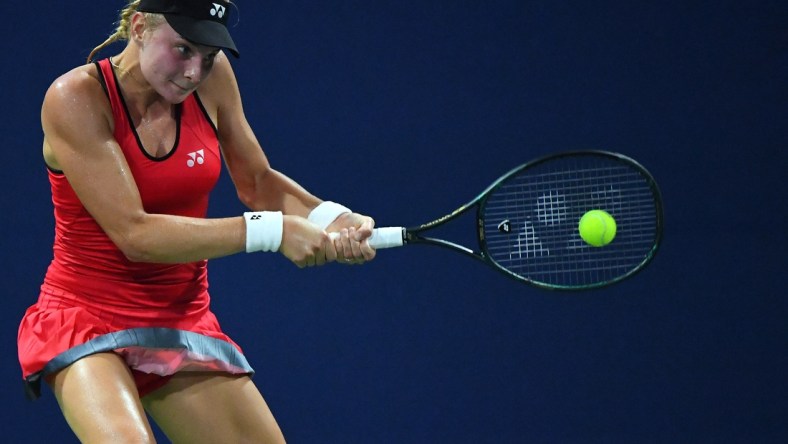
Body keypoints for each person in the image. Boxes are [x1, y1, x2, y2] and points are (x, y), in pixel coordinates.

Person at [17, 0, 376, 442]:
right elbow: (136, 235)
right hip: (85, 316)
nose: (194, 72)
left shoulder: (212, 80)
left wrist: (333, 217)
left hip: (182, 318)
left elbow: (257, 180)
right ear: (141, 27)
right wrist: (273, 230)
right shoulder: (74, 97)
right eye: (183, 49)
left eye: (208, 56)